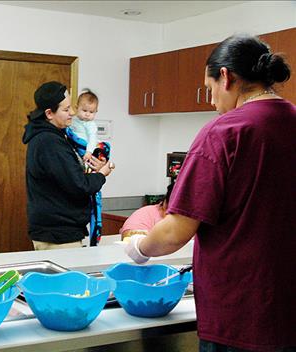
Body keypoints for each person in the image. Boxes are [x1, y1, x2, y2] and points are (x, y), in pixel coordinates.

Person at [125, 34, 296, 351]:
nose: (212, 101)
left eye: (210, 89)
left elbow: (176, 231)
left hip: (239, 312)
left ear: (227, 77)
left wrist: (138, 247)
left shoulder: (225, 131)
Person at [22, 81, 114, 250]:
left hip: (61, 231)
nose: (72, 112)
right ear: (49, 113)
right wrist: (101, 174)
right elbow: (79, 185)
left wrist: (93, 166)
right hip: (58, 235)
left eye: (71, 107)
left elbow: (67, 176)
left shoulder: (58, 137)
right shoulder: (49, 142)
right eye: (65, 110)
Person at [70, 89, 99, 162]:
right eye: (84, 110)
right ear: (77, 108)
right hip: (74, 144)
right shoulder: (73, 119)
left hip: (85, 147)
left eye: (91, 112)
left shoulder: (90, 124)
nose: (87, 114)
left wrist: (89, 152)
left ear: (96, 112)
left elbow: (93, 139)